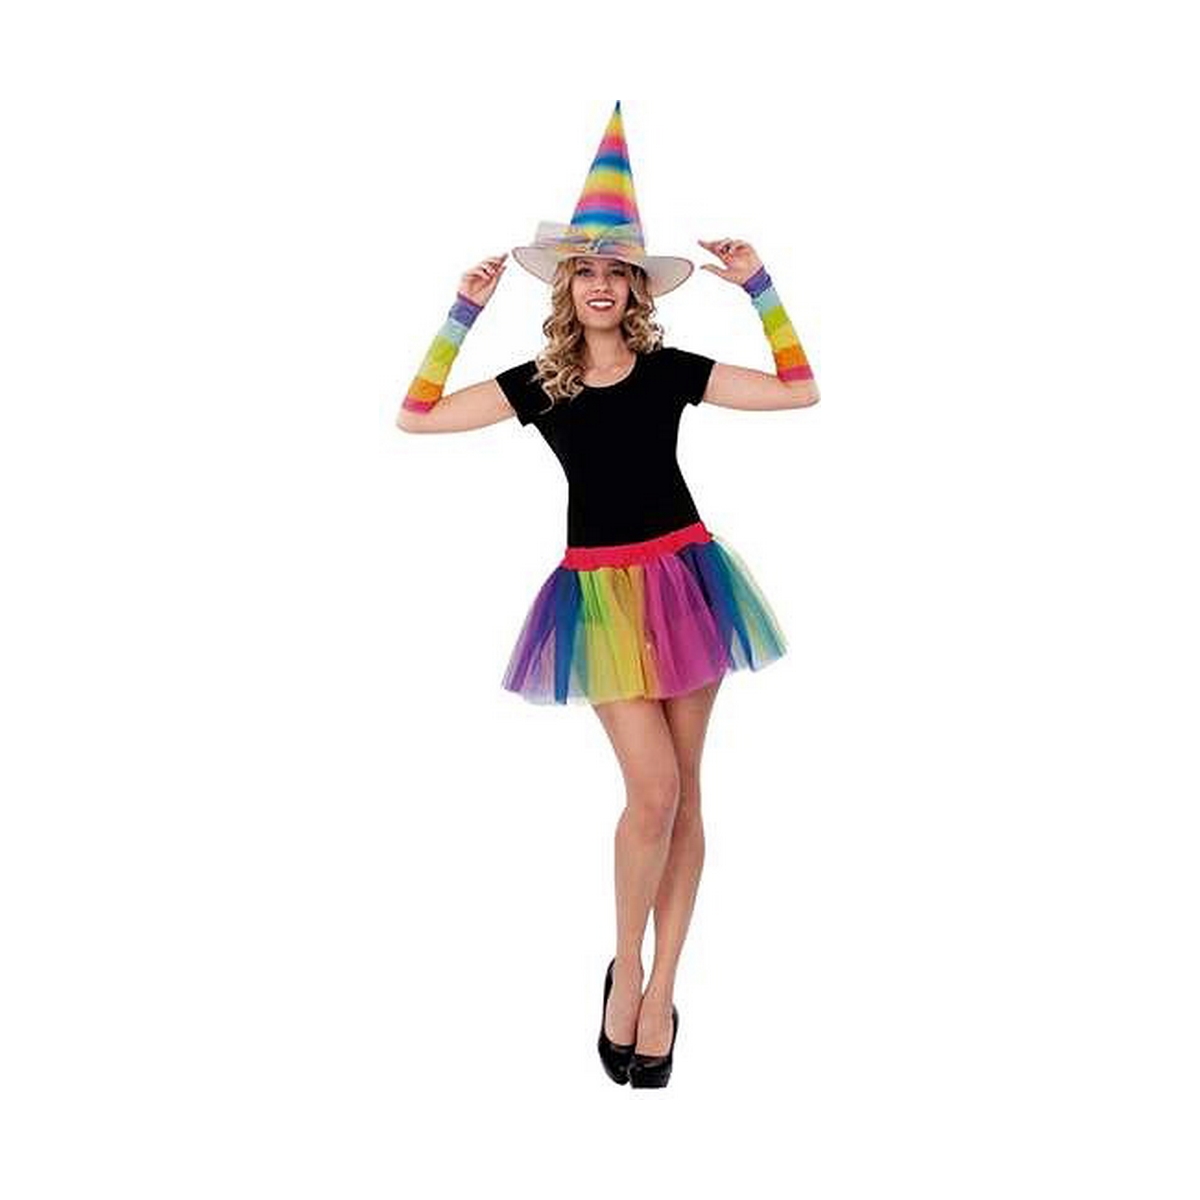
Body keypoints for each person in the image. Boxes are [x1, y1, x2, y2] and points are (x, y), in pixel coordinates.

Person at [395, 103, 819, 1089]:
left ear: (635, 289)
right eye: (584, 269)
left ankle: (663, 987)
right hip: (599, 596)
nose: (598, 283)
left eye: (616, 271)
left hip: (687, 580)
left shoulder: (670, 372)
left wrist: (762, 288)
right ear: (565, 286)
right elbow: (416, 415)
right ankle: (624, 966)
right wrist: (460, 313)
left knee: (688, 793)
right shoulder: (543, 383)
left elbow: (798, 388)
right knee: (652, 792)